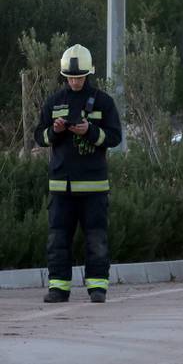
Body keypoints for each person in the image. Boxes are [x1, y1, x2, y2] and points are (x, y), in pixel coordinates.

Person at [33, 44, 122, 304]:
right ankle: (58, 288)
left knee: (96, 238)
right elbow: (40, 136)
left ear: (88, 74)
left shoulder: (104, 102)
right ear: (64, 76)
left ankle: (97, 288)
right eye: (70, 77)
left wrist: (90, 132)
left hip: (94, 187)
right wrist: (57, 130)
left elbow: (115, 137)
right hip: (61, 187)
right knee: (58, 239)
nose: (74, 81)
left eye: (79, 77)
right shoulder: (54, 102)